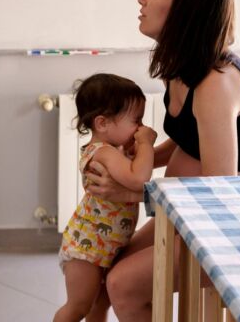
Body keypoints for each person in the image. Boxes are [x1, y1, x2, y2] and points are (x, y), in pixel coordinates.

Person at [86, 0, 240, 320]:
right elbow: (190, 138)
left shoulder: (216, 85)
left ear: (184, 9)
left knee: (122, 284)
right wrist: (141, 153)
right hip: (198, 205)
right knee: (107, 267)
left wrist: (130, 193)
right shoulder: (180, 66)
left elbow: (218, 190)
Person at [53, 73, 157, 322]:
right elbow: (139, 179)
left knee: (99, 307)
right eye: (136, 120)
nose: (140, 128)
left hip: (106, 247)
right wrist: (146, 145)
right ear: (102, 124)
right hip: (86, 251)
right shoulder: (103, 153)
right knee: (78, 307)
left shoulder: (114, 152)